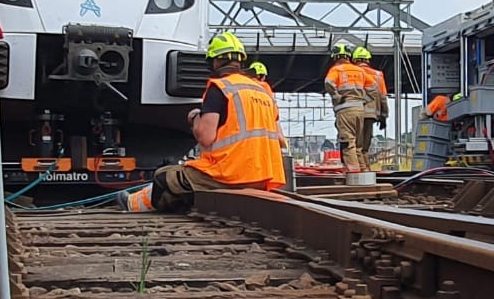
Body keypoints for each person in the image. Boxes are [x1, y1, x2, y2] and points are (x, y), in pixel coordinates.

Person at [119, 32, 285, 212]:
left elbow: (205, 137)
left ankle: (133, 204)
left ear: (215, 62)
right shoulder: (263, 93)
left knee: (165, 176)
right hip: (263, 179)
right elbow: (280, 138)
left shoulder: (221, 88)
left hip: (230, 175)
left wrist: (195, 118)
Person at [324, 43, 369, 173]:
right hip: (360, 110)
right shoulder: (360, 70)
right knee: (358, 145)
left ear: (335, 57)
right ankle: (364, 172)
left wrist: (337, 96)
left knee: (348, 143)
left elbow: (328, 83)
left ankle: (354, 174)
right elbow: (372, 88)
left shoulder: (336, 70)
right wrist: (364, 99)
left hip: (345, 109)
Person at [352, 46, 389, 171]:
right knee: (364, 147)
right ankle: (366, 169)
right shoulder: (378, 75)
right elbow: (383, 97)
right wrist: (384, 116)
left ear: (355, 60)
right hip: (371, 115)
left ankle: (359, 170)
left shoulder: (353, 73)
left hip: (354, 113)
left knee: (355, 145)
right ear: (368, 60)